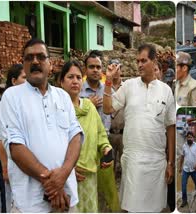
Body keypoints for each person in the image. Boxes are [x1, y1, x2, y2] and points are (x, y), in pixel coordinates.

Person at [0, 38, 84, 212]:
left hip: (67, 198)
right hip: (31, 203)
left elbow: (75, 136)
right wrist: (53, 184)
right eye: (29, 58)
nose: (35, 61)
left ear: (50, 64)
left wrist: (63, 175)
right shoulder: (12, 97)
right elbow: (16, 147)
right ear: (23, 64)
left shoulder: (62, 96)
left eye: (41, 57)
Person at [103, 44, 176, 212]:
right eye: (138, 61)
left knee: (154, 208)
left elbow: (170, 127)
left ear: (154, 61)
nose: (140, 65)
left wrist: (170, 163)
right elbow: (108, 108)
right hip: (133, 161)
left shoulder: (165, 91)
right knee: (132, 208)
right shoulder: (129, 86)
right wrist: (108, 80)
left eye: (144, 60)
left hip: (156, 163)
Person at [59, 60, 118, 212]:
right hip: (67, 176)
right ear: (61, 82)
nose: (75, 81)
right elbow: (52, 144)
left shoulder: (89, 107)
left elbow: (100, 134)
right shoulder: (57, 110)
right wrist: (68, 168)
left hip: (90, 173)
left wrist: (105, 148)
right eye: (70, 77)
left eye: (78, 77)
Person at [0, 64, 26, 212]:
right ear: (13, 81)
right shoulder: (1, 106)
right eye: (24, 78)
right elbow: (0, 139)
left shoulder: (22, 104)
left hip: (22, 160)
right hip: (7, 160)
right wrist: (5, 168)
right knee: (7, 198)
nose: (27, 81)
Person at [80, 50, 111, 132]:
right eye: (91, 67)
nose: (95, 70)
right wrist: (88, 105)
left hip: (105, 139)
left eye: (98, 67)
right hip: (85, 138)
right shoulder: (78, 90)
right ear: (85, 69)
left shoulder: (108, 90)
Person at [178, 132, 196, 207]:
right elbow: (182, 157)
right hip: (186, 169)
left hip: (194, 170)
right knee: (183, 185)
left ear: (193, 138)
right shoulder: (184, 146)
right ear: (186, 138)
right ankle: (184, 200)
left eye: (191, 137)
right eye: (188, 137)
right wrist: (180, 167)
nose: (189, 138)